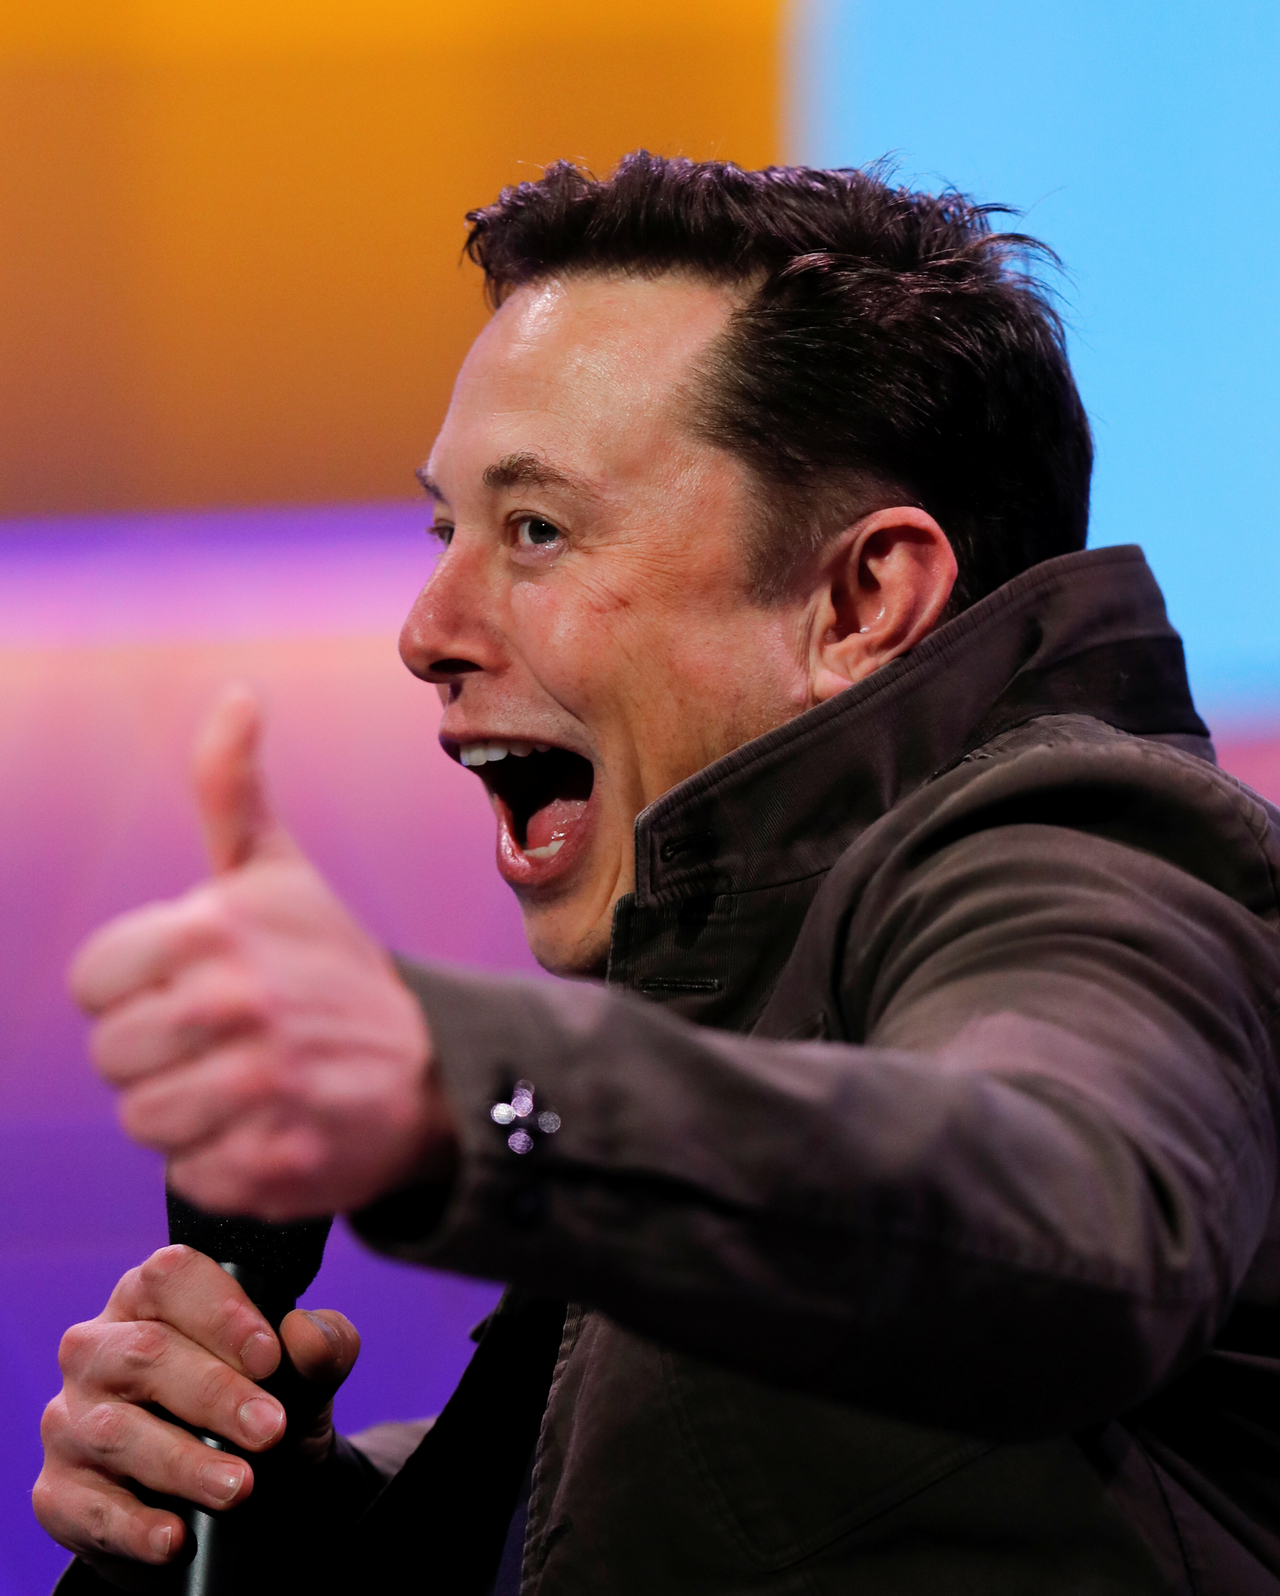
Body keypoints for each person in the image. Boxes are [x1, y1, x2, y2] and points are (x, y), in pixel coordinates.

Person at [34, 154, 1280, 1594]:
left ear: (860, 601)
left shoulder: (1080, 839)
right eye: (448, 530)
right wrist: (281, 1511)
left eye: (538, 531)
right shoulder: (726, 1017)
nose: (426, 626)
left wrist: (456, 1090)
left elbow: (1070, 1213)